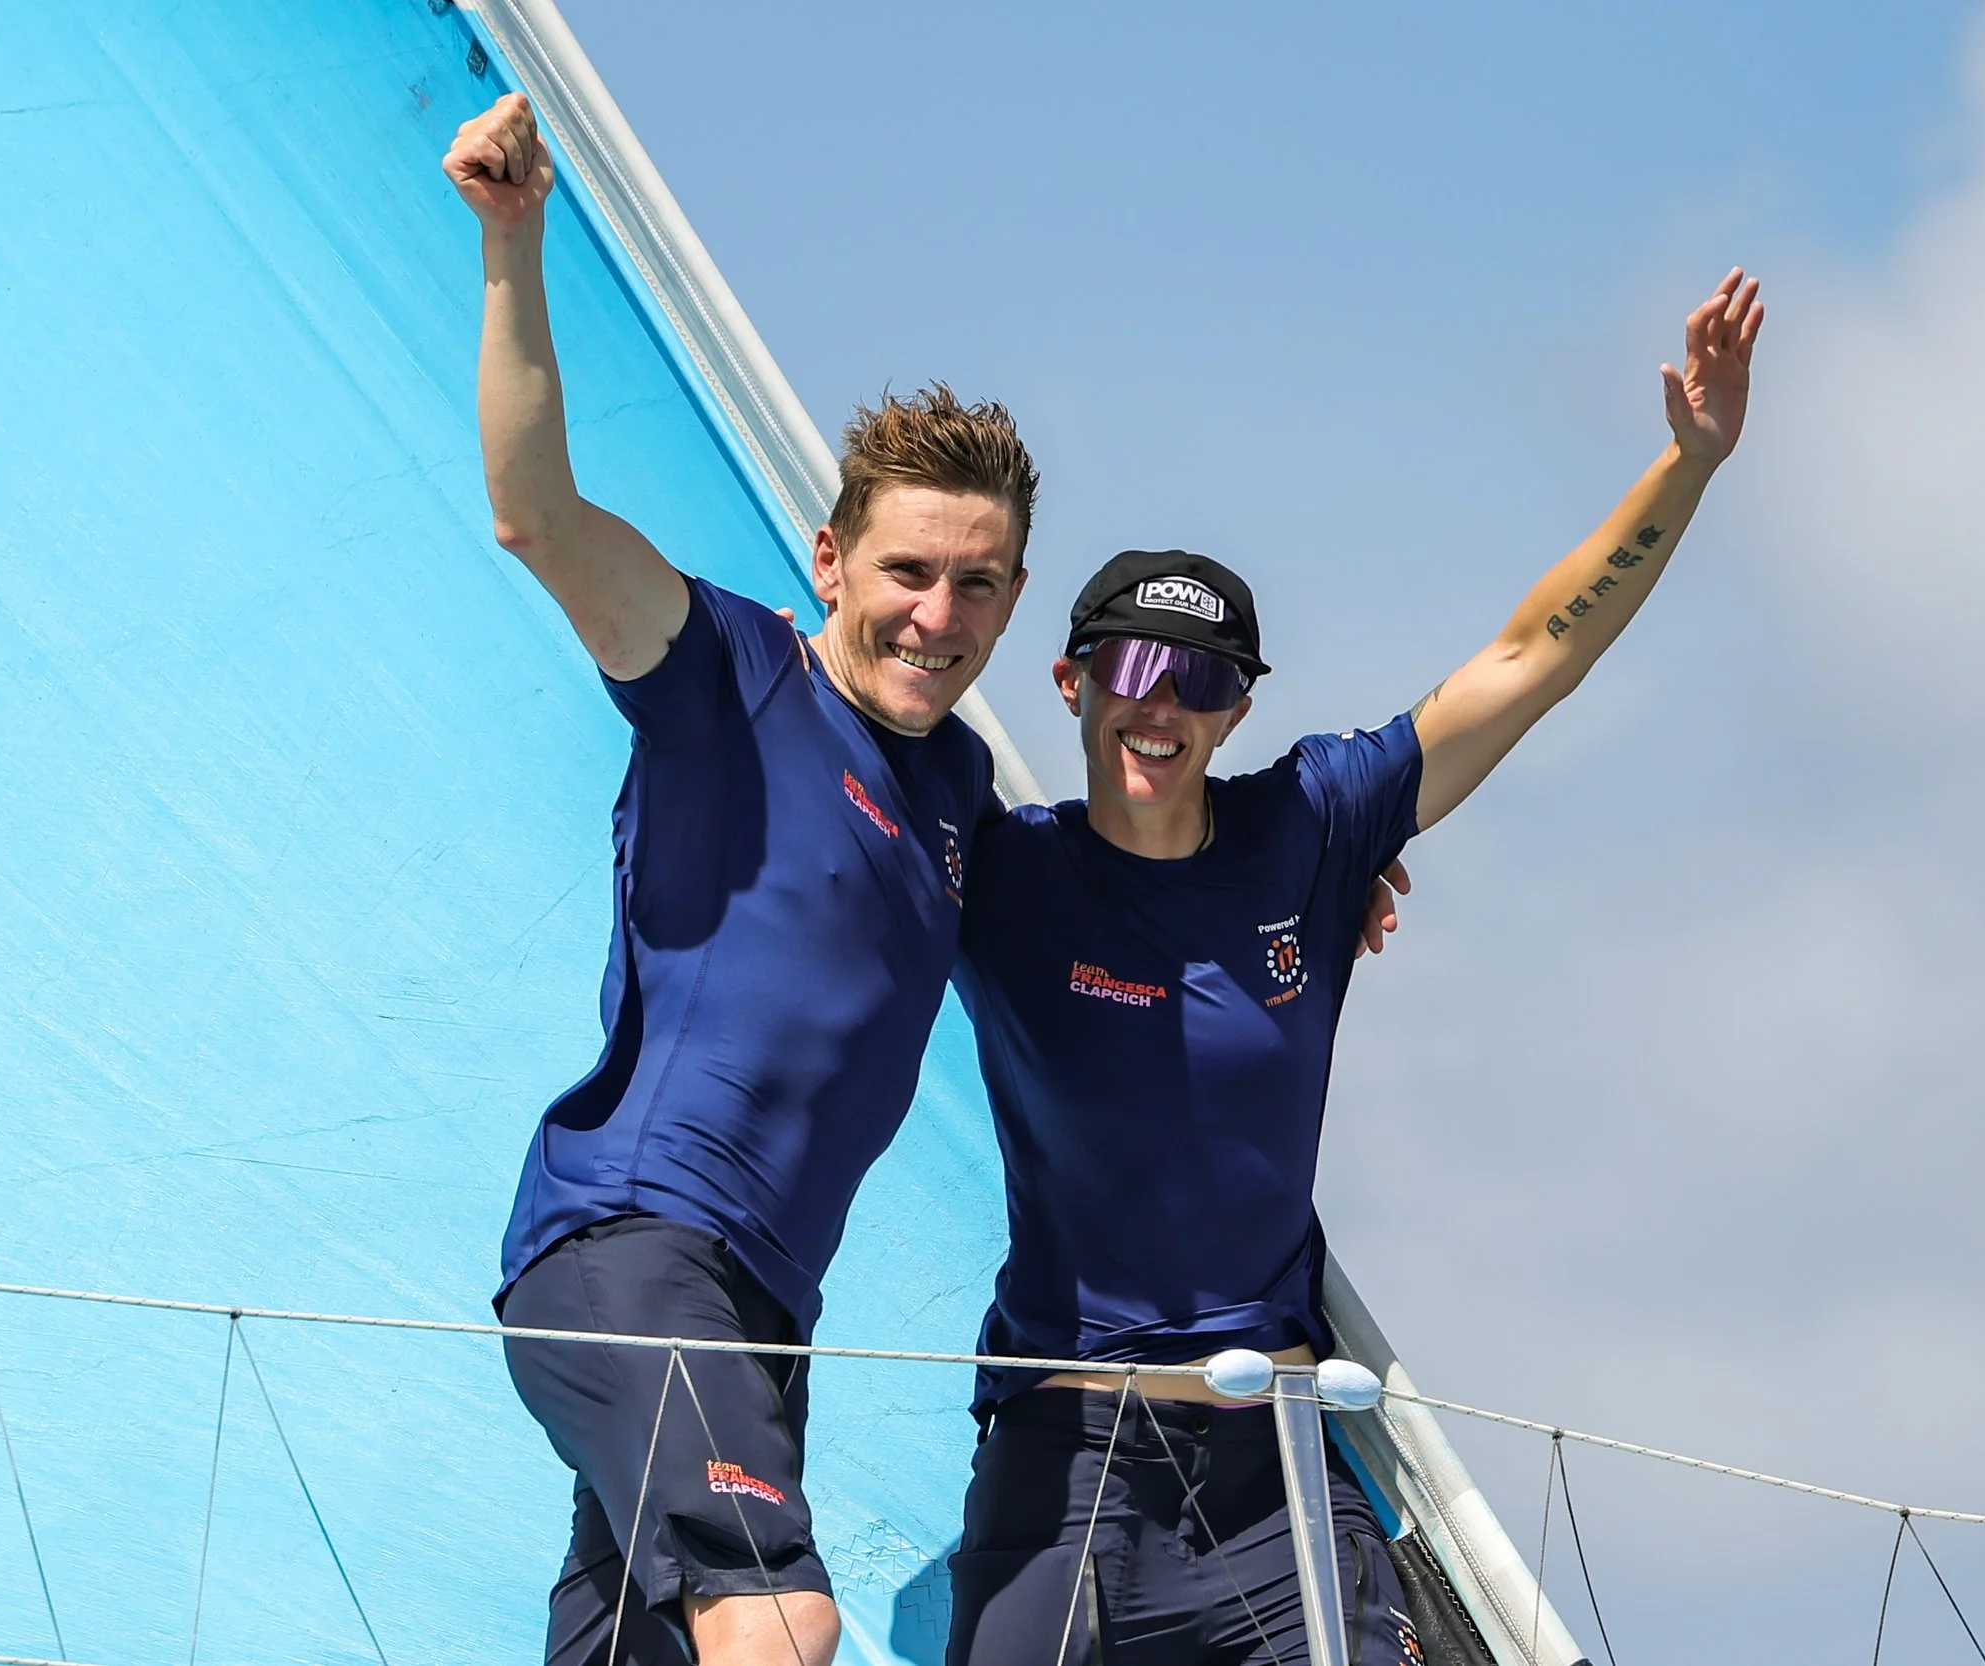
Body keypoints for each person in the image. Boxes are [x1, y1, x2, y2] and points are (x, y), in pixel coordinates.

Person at [946, 271, 1766, 1666]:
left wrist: (1686, 467)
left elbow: (1530, 658)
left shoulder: (1313, 830)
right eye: (1132, 668)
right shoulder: (1000, 870)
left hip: (1275, 1467)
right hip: (1068, 1453)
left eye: (1204, 680)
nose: (1163, 705)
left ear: (1239, 711)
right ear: (1072, 681)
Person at [441, 94, 1037, 1666]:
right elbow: (537, 516)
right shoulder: (730, 672)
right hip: (633, 1246)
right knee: (777, 1618)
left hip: (763, 1315)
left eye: (976, 583)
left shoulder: (962, 796)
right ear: (832, 561)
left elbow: (1120, 920)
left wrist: (1321, 890)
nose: (937, 614)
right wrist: (513, 243)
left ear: (1012, 599)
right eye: (907, 570)